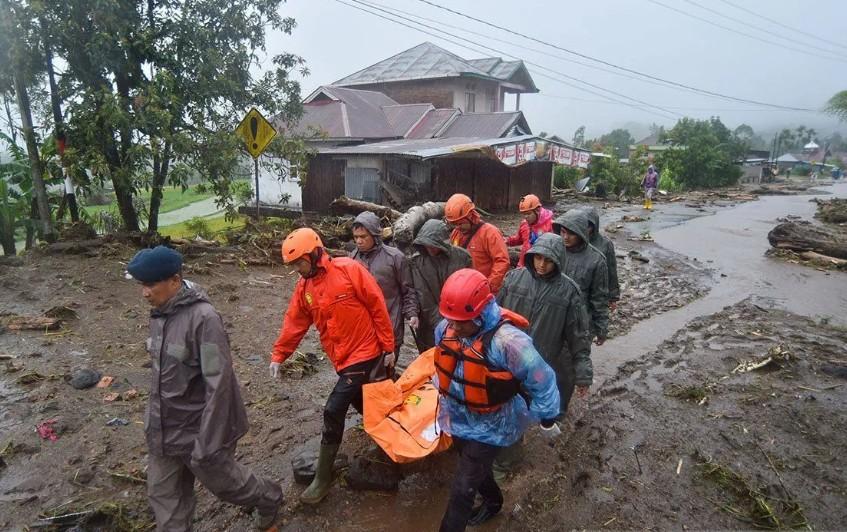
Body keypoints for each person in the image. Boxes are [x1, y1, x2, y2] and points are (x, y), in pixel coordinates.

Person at [127, 246, 283, 531]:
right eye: (142, 285)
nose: (144, 293)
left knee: (228, 486)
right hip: (164, 430)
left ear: (175, 280)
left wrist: (209, 440)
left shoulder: (204, 319)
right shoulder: (160, 314)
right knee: (163, 496)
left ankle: (268, 497)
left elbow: (218, 381)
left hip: (198, 429)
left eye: (150, 285)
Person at [269, 228, 395, 505]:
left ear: (314, 253)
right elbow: (294, 323)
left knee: (334, 408)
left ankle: (322, 478)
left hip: (366, 352)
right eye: (294, 266)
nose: (298, 270)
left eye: (299, 263)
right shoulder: (305, 289)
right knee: (365, 403)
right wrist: (279, 355)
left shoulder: (349, 269)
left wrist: (388, 347)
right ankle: (391, 443)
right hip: (342, 358)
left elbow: (377, 305)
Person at [434, 269, 561, 531]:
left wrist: (547, 418)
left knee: (462, 489)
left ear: (480, 315)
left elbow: (541, 377)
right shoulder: (445, 329)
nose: (454, 328)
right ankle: (494, 501)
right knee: (473, 471)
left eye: (461, 322)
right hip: (458, 416)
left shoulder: (508, 342)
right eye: (450, 320)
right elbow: (444, 363)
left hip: (492, 423)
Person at [497, 233, 592, 420]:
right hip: (508, 356)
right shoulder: (514, 278)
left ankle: (545, 421)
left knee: (539, 400)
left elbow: (578, 335)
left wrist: (583, 374)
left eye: (548, 260)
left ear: (558, 260)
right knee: (506, 399)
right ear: (532, 255)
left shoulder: (569, 291)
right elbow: (496, 316)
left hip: (541, 360)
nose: (541, 265)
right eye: (538, 258)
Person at [350, 211, 419, 359]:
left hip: (390, 326)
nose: (359, 241)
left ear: (375, 236)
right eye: (356, 237)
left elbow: (408, 290)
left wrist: (412, 313)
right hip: (362, 330)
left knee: (386, 374)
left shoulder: (395, 257)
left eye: (363, 237)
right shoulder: (352, 259)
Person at [408, 219, 472, 351]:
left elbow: (469, 288)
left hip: (458, 318)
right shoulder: (417, 262)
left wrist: (455, 321)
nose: (430, 248)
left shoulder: (462, 257)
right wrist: (441, 323)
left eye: (433, 245)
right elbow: (422, 295)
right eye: (426, 244)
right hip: (428, 324)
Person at [553, 209, 609, 345]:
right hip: (552, 316)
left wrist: (601, 328)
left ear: (581, 233)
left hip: (579, 321)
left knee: (574, 361)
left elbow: (599, 298)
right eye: (563, 232)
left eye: (571, 234)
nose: (565, 237)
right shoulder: (553, 251)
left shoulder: (596, 260)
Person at [445, 193, 510, 293]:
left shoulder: (490, 233)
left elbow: (502, 261)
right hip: (463, 289)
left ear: (470, 216)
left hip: (483, 290)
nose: (458, 227)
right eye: (454, 224)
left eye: (461, 223)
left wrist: (488, 287)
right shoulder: (456, 234)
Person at [580, 206, 620, 311]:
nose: (585, 229)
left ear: (594, 226)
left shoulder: (605, 244)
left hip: (598, 290)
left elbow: (611, 270)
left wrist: (613, 297)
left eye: (588, 225)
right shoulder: (574, 240)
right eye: (582, 224)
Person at [504, 194, 553, 267]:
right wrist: (507, 241)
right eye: (524, 214)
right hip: (523, 264)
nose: (526, 217)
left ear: (537, 210)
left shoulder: (550, 226)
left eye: (528, 214)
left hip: (539, 267)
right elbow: (519, 239)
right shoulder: (524, 224)